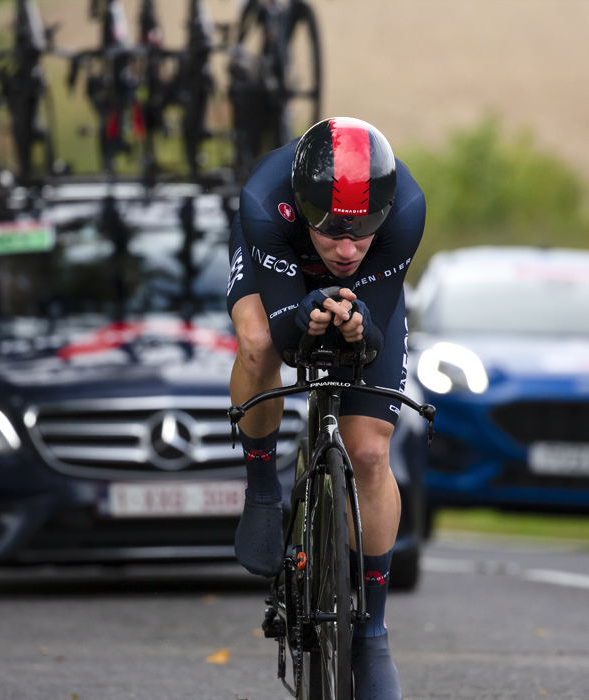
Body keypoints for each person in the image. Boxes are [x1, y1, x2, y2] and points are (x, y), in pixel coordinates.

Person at [226, 117, 425, 700]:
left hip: (365, 298)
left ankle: (374, 631)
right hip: (278, 267)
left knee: (367, 451)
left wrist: (359, 325)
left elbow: (375, 340)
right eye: (334, 231)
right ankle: (264, 484)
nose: (346, 249)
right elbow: (290, 341)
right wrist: (304, 317)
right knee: (260, 342)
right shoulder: (266, 201)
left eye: (362, 233)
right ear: (306, 210)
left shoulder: (405, 208)